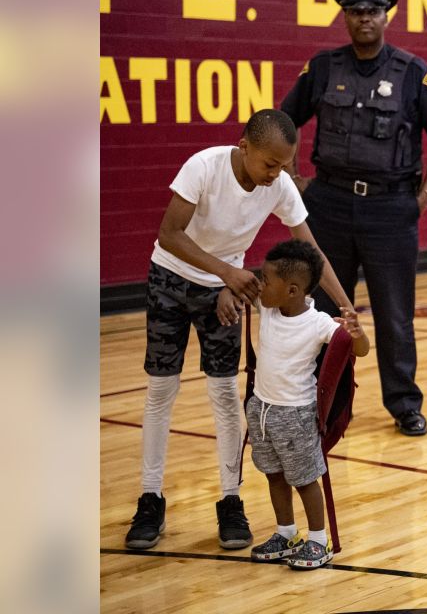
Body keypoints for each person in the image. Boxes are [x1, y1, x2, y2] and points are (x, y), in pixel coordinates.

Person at [125, 110, 355, 551]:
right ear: (244, 146)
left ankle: (231, 500)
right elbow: (170, 234)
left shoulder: (279, 184)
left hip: (223, 293)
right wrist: (228, 272)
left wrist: (346, 306)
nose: (277, 174)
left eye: (285, 165)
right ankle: (150, 498)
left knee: (226, 395)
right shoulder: (204, 166)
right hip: (170, 280)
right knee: (160, 391)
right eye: (270, 164)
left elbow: (312, 251)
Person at [280, 0, 427, 437]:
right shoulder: (322, 68)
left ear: (386, 16)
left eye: (373, 11)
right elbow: (286, 120)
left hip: (391, 210)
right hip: (329, 206)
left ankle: (403, 404)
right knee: (324, 312)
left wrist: (426, 196)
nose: (364, 18)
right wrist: (297, 179)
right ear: (345, 15)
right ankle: (325, 403)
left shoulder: (412, 71)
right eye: (356, 10)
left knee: (394, 313)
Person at [245, 240, 370, 570]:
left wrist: (357, 332)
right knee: (274, 475)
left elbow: (360, 350)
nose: (261, 284)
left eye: (266, 279)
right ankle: (286, 533)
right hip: (261, 410)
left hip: (296, 416)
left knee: (304, 479)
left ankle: (318, 540)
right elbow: (240, 285)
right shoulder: (268, 306)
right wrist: (230, 290)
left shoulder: (317, 323)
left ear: (292, 290)